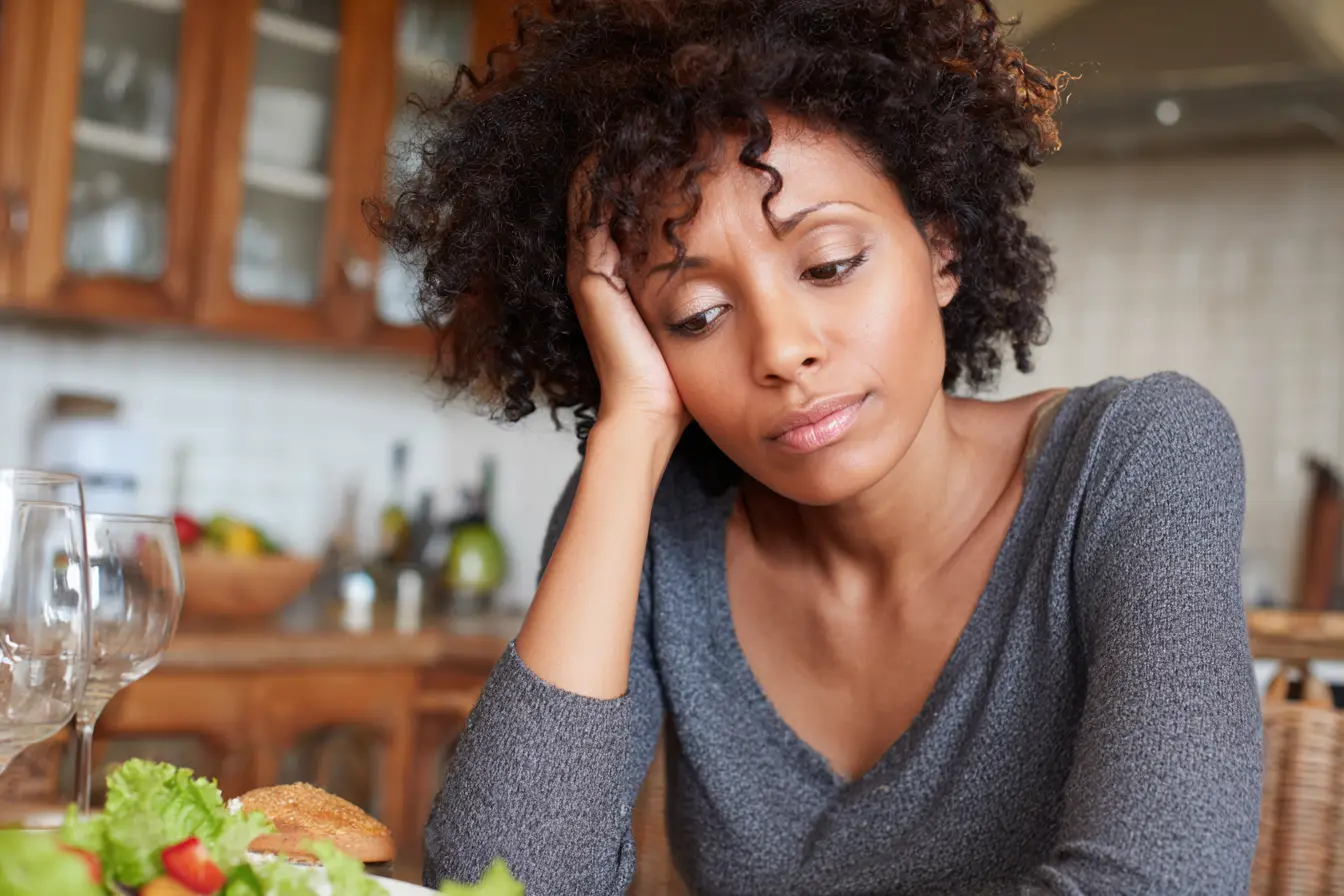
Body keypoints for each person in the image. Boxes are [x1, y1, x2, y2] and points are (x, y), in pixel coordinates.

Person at [373, 1, 1263, 892]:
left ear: (941, 246)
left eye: (830, 264)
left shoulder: (1137, 459)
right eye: (696, 315)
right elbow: (501, 883)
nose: (782, 350)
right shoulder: (642, 520)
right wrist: (633, 426)